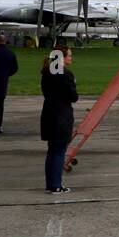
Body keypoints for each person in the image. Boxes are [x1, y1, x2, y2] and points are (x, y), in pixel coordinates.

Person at [40, 41, 78, 194]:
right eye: (69, 56)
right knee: (59, 152)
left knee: (52, 151)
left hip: (49, 113)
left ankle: (51, 182)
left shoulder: (47, 72)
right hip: (61, 115)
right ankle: (56, 184)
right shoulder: (65, 74)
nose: (71, 59)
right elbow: (73, 96)